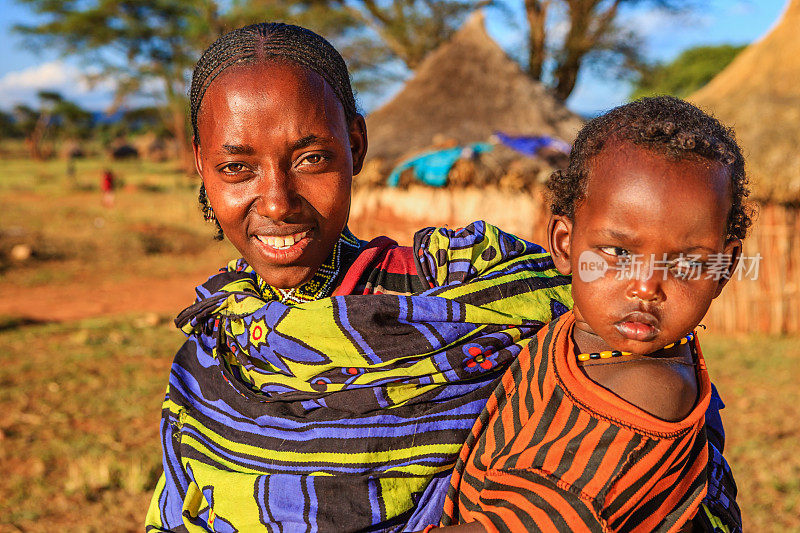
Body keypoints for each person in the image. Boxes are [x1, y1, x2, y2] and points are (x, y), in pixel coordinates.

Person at [145, 23, 737, 532]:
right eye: (236, 168)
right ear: (201, 165)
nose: (276, 202)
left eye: (310, 159)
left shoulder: (482, 290)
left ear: (356, 143)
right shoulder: (212, 351)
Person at [439, 97, 746, 532]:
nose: (647, 287)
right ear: (565, 244)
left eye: (685, 263)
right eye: (618, 252)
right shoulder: (574, 333)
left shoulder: (650, 391)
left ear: (722, 268)